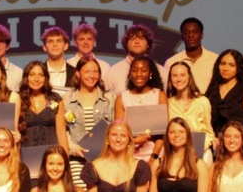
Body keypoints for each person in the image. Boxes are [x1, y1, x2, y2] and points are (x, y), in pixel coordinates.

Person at [63, 54, 114, 185]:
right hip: (77, 159)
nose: (92, 75)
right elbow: (63, 130)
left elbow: (115, 127)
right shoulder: (67, 99)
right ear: (78, 74)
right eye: (87, 71)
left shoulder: (109, 98)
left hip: (105, 157)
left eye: (95, 71)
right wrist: (73, 148)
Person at [113, 55, 168, 163]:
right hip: (129, 156)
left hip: (156, 156)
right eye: (134, 70)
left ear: (150, 73)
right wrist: (135, 141)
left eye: (143, 70)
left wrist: (153, 158)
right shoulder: (121, 98)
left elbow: (163, 134)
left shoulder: (160, 95)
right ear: (130, 74)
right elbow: (118, 134)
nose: (139, 74)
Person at [166, 61, 215, 163]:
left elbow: (209, 133)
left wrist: (196, 150)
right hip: (175, 153)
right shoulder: (168, 104)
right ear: (170, 79)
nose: (179, 79)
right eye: (175, 75)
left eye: (183, 75)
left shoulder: (202, 101)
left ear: (189, 77)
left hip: (199, 152)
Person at [103, 23, 168, 99]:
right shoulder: (112, 73)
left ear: (148, 44)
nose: (137, 41)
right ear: (126, 44)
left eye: (141, 38)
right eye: (132, 39)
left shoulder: (163, 72)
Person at [18, 60, 69, 152]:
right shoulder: (19, 99)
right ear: (26, 77)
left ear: (45, 78)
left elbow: (61, 132)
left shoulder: (54, 99)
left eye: (41, 75)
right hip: (26, 153)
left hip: (51, 155)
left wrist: (65, 159)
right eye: (32, 75)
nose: (36, 79)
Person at [165, 17, 218, 94]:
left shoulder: (215, 59)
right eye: (186, 33)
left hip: (210, 104)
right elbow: (169, 90)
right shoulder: (171, 62)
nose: (191, 35)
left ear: (202, 35)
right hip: (181, 105)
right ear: (182, 37)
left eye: (195, 32)